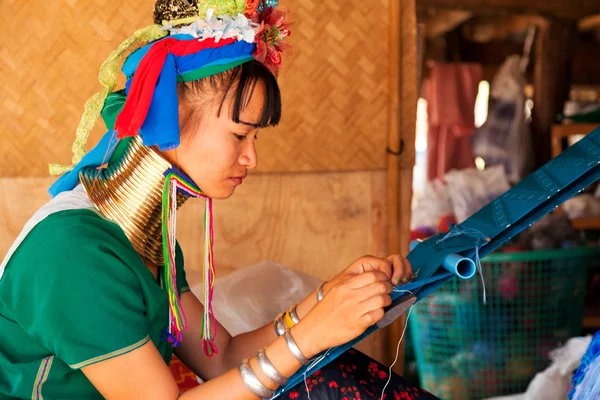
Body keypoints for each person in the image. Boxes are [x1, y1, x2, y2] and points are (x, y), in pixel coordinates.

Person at [0, 1, 439, 399]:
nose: (251, 156)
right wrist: (308, 337)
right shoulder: (73, 254)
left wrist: (330, 299)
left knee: (327, 373)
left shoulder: (148, 241)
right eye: (239, 134)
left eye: (255, 136)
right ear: (167, 115)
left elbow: (223, 357)